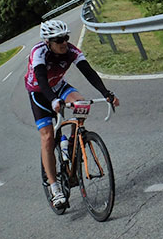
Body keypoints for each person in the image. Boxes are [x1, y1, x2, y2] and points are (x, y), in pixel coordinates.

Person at [25, 19, 119, 209]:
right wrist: (53, 100)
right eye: (59, 40)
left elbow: (89, 72)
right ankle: (54, 188)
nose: (64, 43)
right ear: (48, 42)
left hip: (59, 86)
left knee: (82, 103)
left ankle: (69, 143)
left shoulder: (71, 51)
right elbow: (42, 80)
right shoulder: (39, 52)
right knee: (48, 137)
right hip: (39, 92)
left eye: (66, 38)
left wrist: (106, 93)